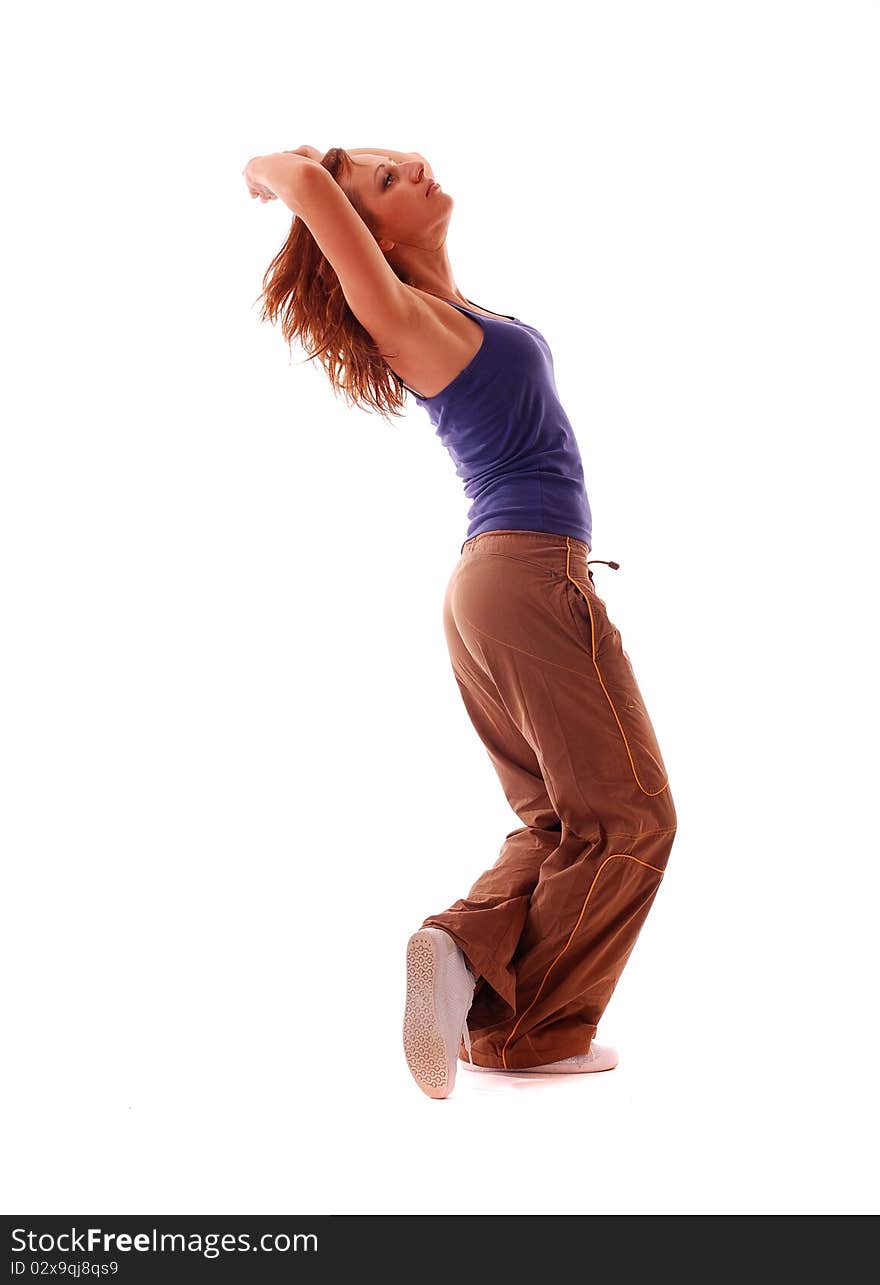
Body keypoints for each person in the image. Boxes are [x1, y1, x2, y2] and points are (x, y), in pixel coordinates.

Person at [243, 145, 678, 1100]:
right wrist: (271, 171)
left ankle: (457, 943)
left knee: (562, 818)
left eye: (402, 162)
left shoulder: (451, 311)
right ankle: (530, 1034)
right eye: (388, 183)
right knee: (635, 812)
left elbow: (334, 192)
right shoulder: (404, 318)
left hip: (501, 580)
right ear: (366, 234)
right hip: (525, 575)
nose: (416, 168)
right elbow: (313, 185)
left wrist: (315, 179)